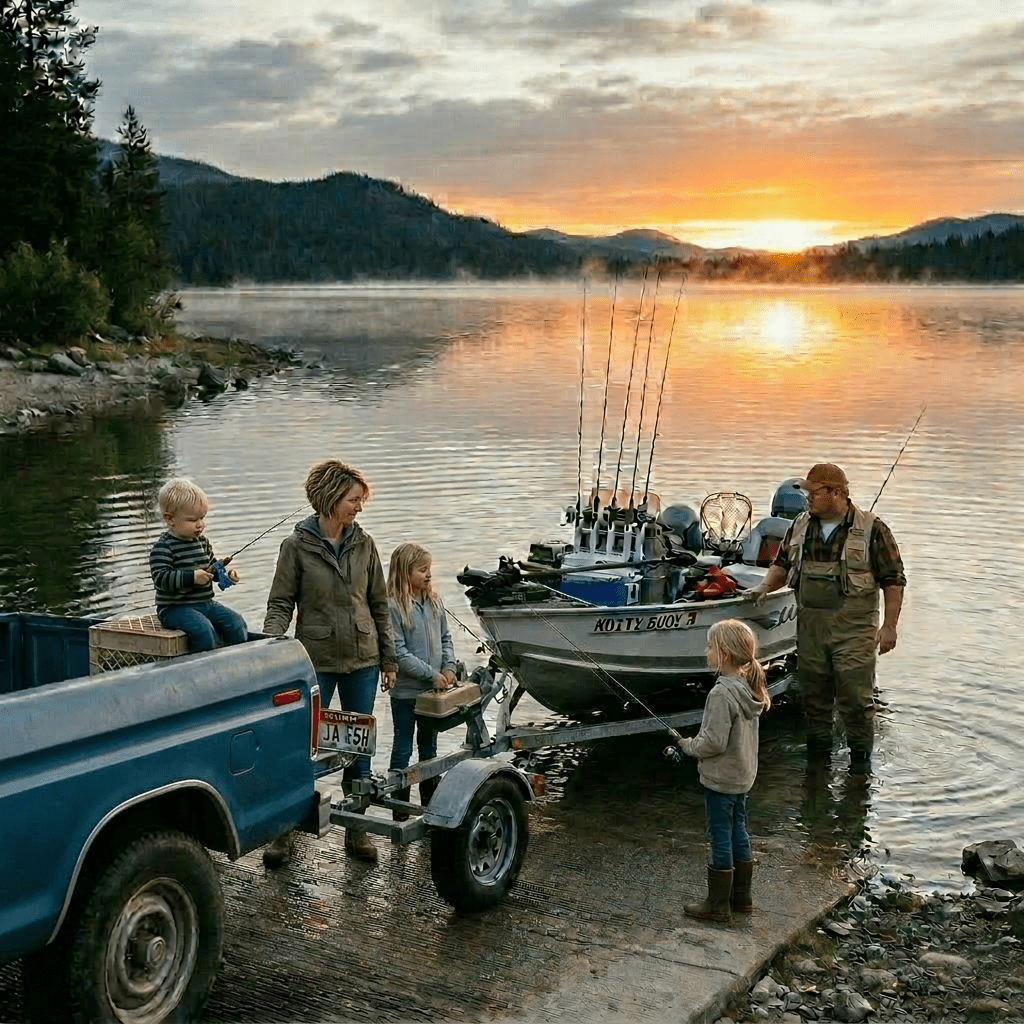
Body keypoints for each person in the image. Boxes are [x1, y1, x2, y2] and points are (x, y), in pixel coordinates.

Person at [262, 459, 397, 865]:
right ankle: (285, 833)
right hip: (314, 659)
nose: (359, 507)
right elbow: (281, 602)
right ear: (332, 498)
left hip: (364, 660)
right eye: (354, 499)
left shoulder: (365, 544)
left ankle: (356, 830)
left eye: (360, 500)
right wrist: (271, 648)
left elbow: (379, 604)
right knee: (301, 746)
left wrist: (389, 658)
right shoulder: (295, 546)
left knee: (360, 745)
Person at [748, 463, 906, 768]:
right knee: (814, 703)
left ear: (835, 493)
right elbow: (782, 564)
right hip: (810, 632)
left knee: (857, 704)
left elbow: (893, 580)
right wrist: (764, 587)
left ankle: (860, 771)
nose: (807, 498)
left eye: (813, 492)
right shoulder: (799, 526)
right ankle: (817, 770)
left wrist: (889, 627)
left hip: (855, 633)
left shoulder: (874, 529)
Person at [672, 618, 770, 923]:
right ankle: (742, 899)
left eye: (710, 646)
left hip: (720, 780)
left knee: (719, 836)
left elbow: (712, 743)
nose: (706, 651)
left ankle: (717, 906)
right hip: (743, 778)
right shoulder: (748, 689)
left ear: (724, 654)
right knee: (738, 830)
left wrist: (687, 745)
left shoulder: (720, 694)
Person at [386, 542, 458, 820]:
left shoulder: (435, 602)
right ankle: (399, 811)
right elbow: (399, 654)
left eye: (430, 569)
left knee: (429, 748)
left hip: (432, 694)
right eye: (422, 570)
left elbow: (446, 638)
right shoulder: (393, 606)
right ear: (405, 572)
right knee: (402, 747)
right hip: (406, 693)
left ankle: (430, 806)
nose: (429, 575)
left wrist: (449, 667)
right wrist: (431, 673)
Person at [149, 478, 248, 651]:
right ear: (170, 519)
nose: (200, 524)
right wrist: (192, 577)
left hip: (205, 603)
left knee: (237, 623)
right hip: (174, 608)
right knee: (203, 631)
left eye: (202, 518)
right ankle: (202, 670)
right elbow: (161, 578)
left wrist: (227, 577)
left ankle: (234, 664)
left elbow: (212, 571)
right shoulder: (163, 547)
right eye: (192, 520)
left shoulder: (202, 542)